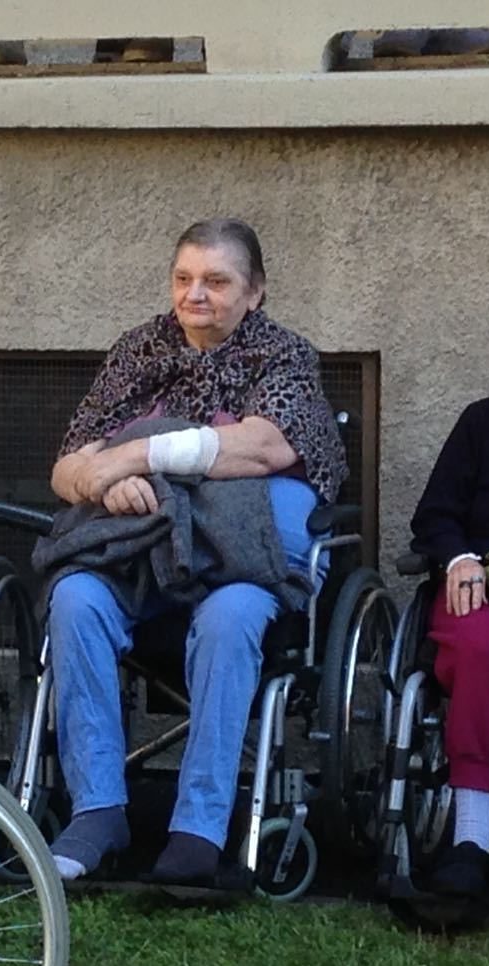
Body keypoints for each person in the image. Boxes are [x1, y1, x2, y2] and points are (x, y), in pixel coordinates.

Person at [40, 218, 347, 886]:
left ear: (255, 292)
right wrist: (110, 482)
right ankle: (97, 812)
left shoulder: (285, 356)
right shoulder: (138, 350)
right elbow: (69, 468)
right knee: (74, 597)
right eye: (184, 278)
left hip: (236, 559)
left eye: (216, 280)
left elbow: (265, 448)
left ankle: (199, 826)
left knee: (232, 617)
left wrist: (138, 455)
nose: (195, 294)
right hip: (140, 555)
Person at [407, 384, 489, 894]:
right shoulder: (485, 420)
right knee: (481, 647)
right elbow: (435, 515)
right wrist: (459, 559)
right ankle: (472, 840)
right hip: (488, 587)